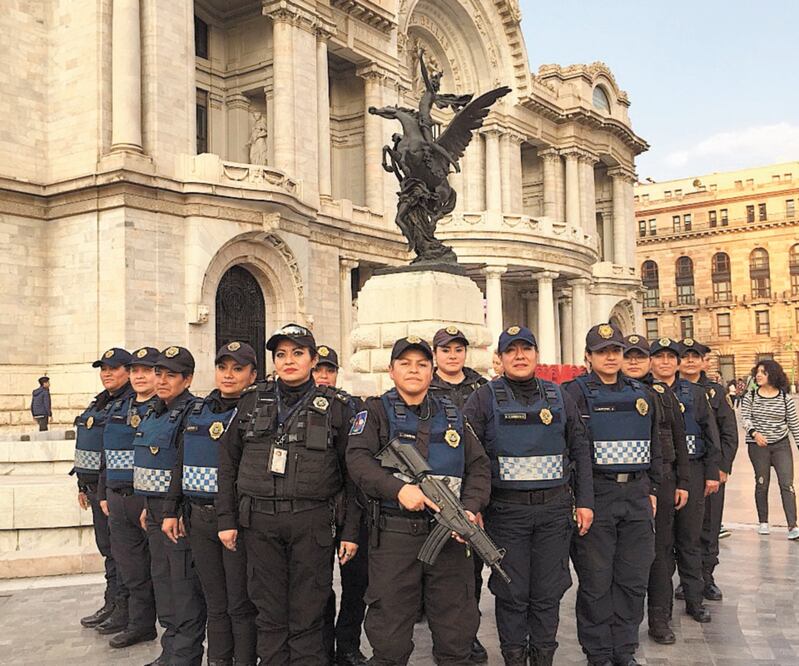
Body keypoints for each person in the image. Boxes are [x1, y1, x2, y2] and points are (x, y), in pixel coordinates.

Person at [217, 324, 361, 665]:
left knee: (308, 612)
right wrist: (226, 519)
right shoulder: (252, 400)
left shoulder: (338, 407)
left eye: (298, 353)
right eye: (281, 355)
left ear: (313, 359)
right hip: (259, 521)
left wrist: (351, 531)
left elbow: (354, 476)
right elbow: (227, 463)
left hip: (311, 523)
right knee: (268, 612)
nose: (289, 361)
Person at [346, 335, 491, 666]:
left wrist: (470, 508)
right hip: (395, 535)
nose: (414, 370)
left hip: (451, 539)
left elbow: (479, 466)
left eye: (422, 364)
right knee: (390, 637)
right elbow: (357, 460)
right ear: (392, 370)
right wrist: (397, 490)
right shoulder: (375, 412)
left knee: (456, 634)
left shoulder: (453, 414)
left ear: (432, 370)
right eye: (405, 364)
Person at [463, 325, 593, 666]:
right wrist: (471, 504)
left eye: (526, 349)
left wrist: (586, 502)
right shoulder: (483, 398)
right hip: (506, 514)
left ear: (536, 355)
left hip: (554, 512)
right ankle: (514, 657)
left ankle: (543, 656)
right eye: (511, 351)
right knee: (511, 591)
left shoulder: (558, 395)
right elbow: (468, 455)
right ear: (500, 359)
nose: (520, 356)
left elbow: (580, 449)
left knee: (549, 593)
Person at [563, 323, 661, 666]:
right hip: (597, 496)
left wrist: (653, 488)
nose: (610, 357)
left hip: (635, 494)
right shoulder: (572, 393)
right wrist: (581, 500)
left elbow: (656, 444)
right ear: (588, 357)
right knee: (596, 581)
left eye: (615, 351)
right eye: (602, 351)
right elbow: (571, 453)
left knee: (633, 580)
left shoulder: (642, 394)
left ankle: (624, 650)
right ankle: (599, 653)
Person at [162, 341, 258, 666]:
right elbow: (180, 462)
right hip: (198, 520)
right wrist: (171, 509)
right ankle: (219, 660)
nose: (228, 375)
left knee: (239, 603)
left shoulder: (257, 413)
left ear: (252, 374)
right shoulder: (197, 410)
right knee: (215, 602)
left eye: (237, 368)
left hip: (236, 523)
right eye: (222, 367)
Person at [134, 346, 207, 666]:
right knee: (163, 582)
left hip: (175, 514)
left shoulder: (193, 412)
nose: (162, 380)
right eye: (158, 373)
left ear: (188, 379)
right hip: (155, 510)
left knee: (183, 587)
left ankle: (185, 655)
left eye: (171, 375)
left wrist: (172, 509)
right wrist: (150, 506)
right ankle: (171, 651)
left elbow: (183, 464)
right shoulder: (154, 410)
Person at [620, 334, 690, 645]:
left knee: (660, 553)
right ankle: (622, 621)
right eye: (628, 355)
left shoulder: (662, 394)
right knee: (625, 556)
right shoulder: (606, 393)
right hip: (625, 486)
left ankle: (660, 617)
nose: (633, 361)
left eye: (639, 356)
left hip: (662, 480)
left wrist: (684, 482)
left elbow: (679, 441)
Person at [649, 337, 720, 626]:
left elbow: (710, 433)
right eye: (659, 357)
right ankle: (660, 612)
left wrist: (713, 473)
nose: (665, 362)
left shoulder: (695, 393)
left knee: (690, 540)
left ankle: (695, 599)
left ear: (678, 362)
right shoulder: (643, 392)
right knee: (661, 547)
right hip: (662, 475)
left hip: (693, 471)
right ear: (651, 361)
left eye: (670, 357)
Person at [429, 326, 489, 664]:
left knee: (471, 572)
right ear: (435, 354)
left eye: (458, 349)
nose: (453, 355)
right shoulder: (424, 386)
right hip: (433, 492)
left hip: (473, 492)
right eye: (445, 349)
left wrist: (476, 500)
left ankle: (468, 634)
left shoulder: (482, 389)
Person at [99, 346, 161, 649]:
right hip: (118, 498)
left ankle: (176, 632)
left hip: (148, 501)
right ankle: (140, 625)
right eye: (135, 370)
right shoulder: (117, 408)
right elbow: (105, 457)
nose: (139, 376)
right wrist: (103, 494)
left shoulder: (166, 409)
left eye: (146, 371)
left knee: (163, 572)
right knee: (131, 569)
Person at [313, 345, 369, 666]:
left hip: (350, 507)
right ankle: (322, 648)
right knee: (319, 586)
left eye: (329, 370)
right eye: (319, 369)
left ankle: (347, 645)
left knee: (356, 584)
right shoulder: (299, 406)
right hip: (318, 511)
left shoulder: (351, 407)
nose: (323, 376)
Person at [72, 348, 130, 633]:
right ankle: (112, 603)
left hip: (114, 491)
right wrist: (82, 484)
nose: (106, 373)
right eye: (103, 368)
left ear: (129, 371)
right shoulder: (101, 402)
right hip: (95, 488)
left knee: (122, 554)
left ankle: (125, 608)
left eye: (114, 368)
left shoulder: (131, 403)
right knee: (108, 551)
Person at [677, 338, 738, 601]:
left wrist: (722, 468)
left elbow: (728, 433)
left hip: (709, 470)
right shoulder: (669, 389)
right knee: (682, 529)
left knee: (709, 525)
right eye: (685, 356)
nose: (690, 360)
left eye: (695, 356)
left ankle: (707, 577)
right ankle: (687, 579)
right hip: (681, 471)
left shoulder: (714, 392)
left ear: (705, 361)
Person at [741, 359, 799, 540]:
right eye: (757, 372)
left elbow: (794, 425)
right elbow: (745, 417)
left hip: (781, 445)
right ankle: (763, 521)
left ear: (772, 375)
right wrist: (754, 433)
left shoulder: (784, 398)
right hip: (758, 446)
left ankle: (793, 525)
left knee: (787, 484)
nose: (758, 375)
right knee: (761, 482)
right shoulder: (750, 396)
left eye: (763, 372)